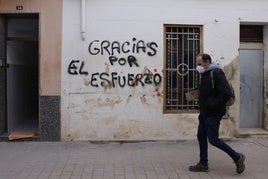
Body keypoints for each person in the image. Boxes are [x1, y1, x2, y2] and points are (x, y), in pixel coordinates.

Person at [188, 53, 245, 174]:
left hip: (213, 113)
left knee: (213, 139)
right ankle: (203, 163)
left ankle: (237, 157)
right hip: (204, 113)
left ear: (207, 62)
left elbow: (226, 93)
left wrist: (211, 104)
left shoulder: (217, 73)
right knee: (201, 136)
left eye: (199, 64)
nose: (197, 67)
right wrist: (195, 95)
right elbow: (209, 91)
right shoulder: (205, 74)